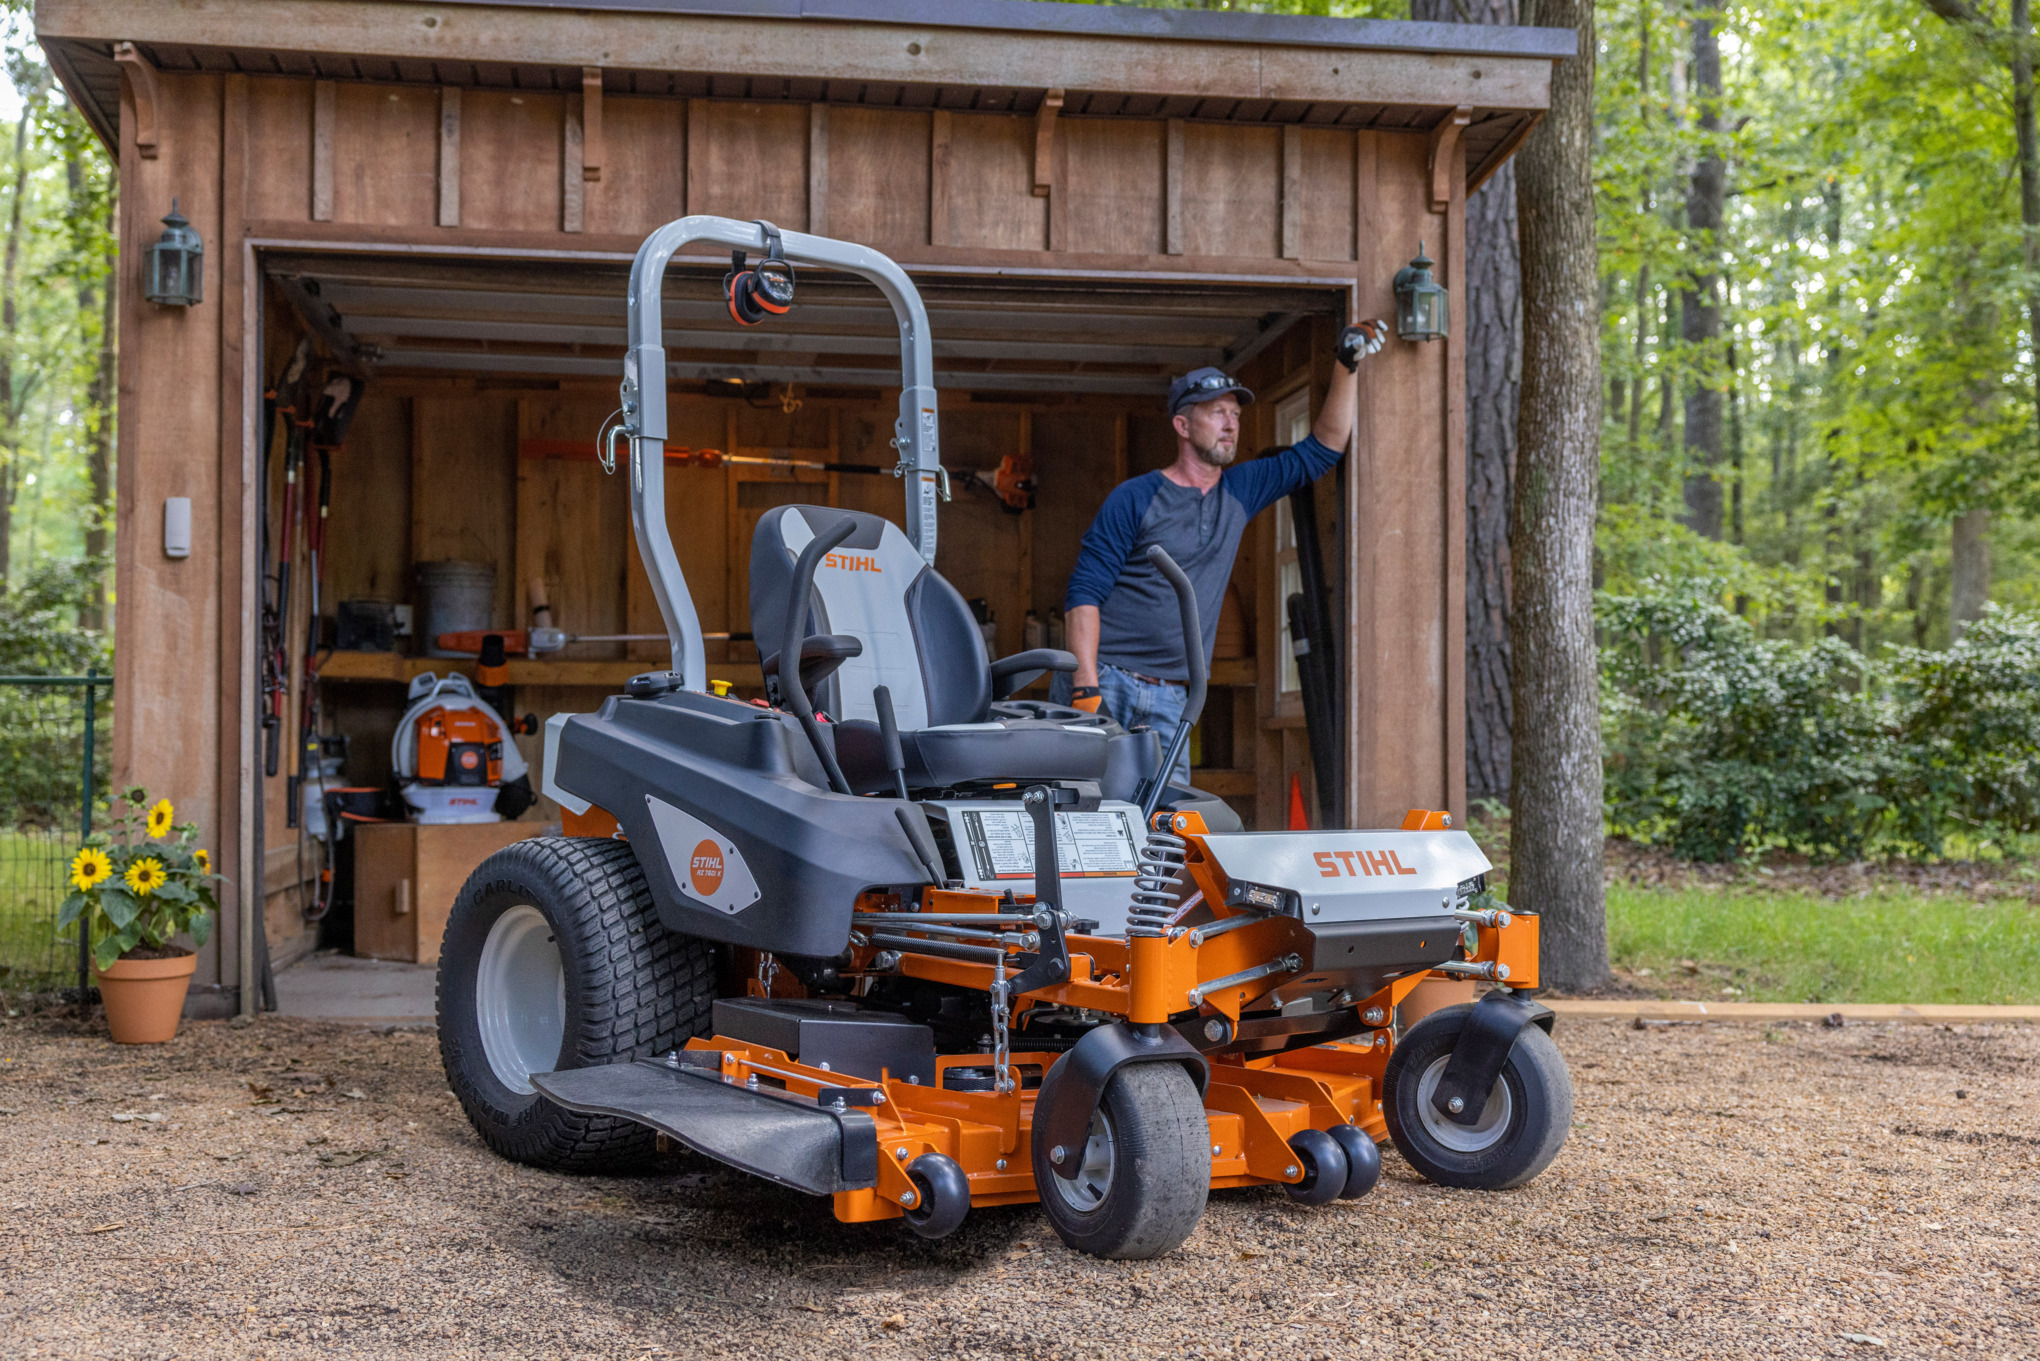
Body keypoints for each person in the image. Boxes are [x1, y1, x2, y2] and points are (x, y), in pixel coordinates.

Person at [1063, 322, 1386, 789]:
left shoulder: (1239, 490)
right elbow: (1083, 594)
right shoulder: (1135, 498)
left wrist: (1345, 364)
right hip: (1109, 681)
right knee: (1089, 815)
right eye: (1216, 413)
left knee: (1168, 826)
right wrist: (1086, 687)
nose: (1231, 423)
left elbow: (1323, 450)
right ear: (1182, 424)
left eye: (1234, 414)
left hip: (1175, 695)